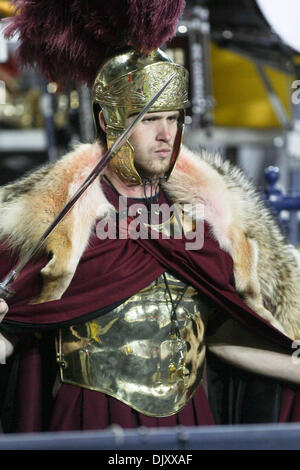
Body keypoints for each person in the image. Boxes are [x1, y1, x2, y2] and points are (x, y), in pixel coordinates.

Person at [0, 2, 300, 433]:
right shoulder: (55, 225)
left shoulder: (208, 226)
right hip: (91, 420)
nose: (167, 135)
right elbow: (14, 333)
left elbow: (225, 337)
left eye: (174, 119)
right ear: (109, 121)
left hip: (192, 420)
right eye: (150, 120)